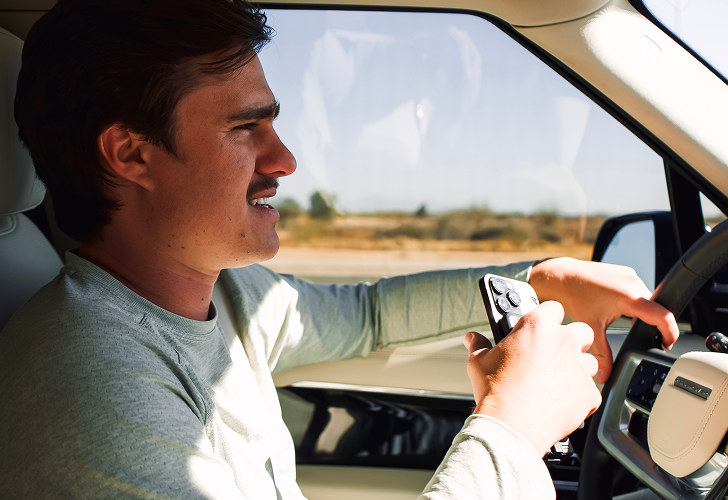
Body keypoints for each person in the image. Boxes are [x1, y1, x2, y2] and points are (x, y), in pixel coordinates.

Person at [0, 0, 679, 498]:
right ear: (130, 153)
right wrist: (512, 428)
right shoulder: (90, 386)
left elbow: (371, 314)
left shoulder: (226, 292)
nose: (285, 160)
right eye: (245, 127)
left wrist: (539, 277)